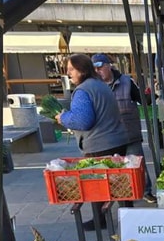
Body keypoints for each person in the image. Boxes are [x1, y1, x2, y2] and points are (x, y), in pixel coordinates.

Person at [55, 54, 130, 230]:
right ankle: (128, 217)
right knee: (120, 182)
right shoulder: (100, 85)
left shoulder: (82, 91)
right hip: (117, 139)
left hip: (99, 144)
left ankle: (100, 220)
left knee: (96, 184)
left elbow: (83, 121)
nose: (68, 73)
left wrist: (63, 117)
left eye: (71, 69)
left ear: (82, 70)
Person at [91, 53, 156, 204]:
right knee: (114, 167)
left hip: (129, 132)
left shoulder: (126, 82)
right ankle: (122, 195)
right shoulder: (94, 86)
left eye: (100, 67)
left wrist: (151, 95)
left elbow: (141, 99)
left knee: (137, 164)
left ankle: (146, 191)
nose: (97, 71)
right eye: (94, 68)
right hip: (108, 136)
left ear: (109, 66)